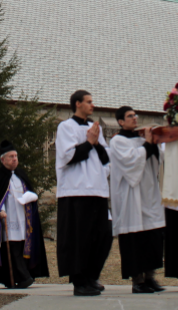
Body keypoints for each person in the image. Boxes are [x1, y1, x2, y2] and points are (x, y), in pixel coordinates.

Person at [54, 90, 112, 296]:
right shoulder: (65, 127)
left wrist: (95, 144)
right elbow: (68, 156)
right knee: (79, 238)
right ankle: (79, 281)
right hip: (75, 190)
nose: (92, 105)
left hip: (97, 189)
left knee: (102, 235)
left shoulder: (94, 128)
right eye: (88, 102)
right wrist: (89, 143)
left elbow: (106, 156)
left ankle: (91, 276)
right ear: (77, 104)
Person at [108, 107, 166, 293]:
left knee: (152, 236)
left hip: (148, 193)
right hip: (130, 196)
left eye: (135, 115)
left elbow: (158, 159)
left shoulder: (142, 139)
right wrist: (148, 145)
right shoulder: (117, 141)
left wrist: (154, 143)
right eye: (130, 116)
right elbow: (130, 162)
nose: (135, 118)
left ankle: (150, 277)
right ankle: (137, 281)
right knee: (134, 239)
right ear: (120, 122)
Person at [0, 140, 49, 289]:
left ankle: (22, 276)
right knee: (12, 248)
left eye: (16, 156)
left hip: (23, 219)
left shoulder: (21, 175)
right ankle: (22, 277)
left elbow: (28, 192)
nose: (15, 159)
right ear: (3, 159)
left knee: (21, 247)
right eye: (11, 156)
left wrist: (31, 198)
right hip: (9, 218)